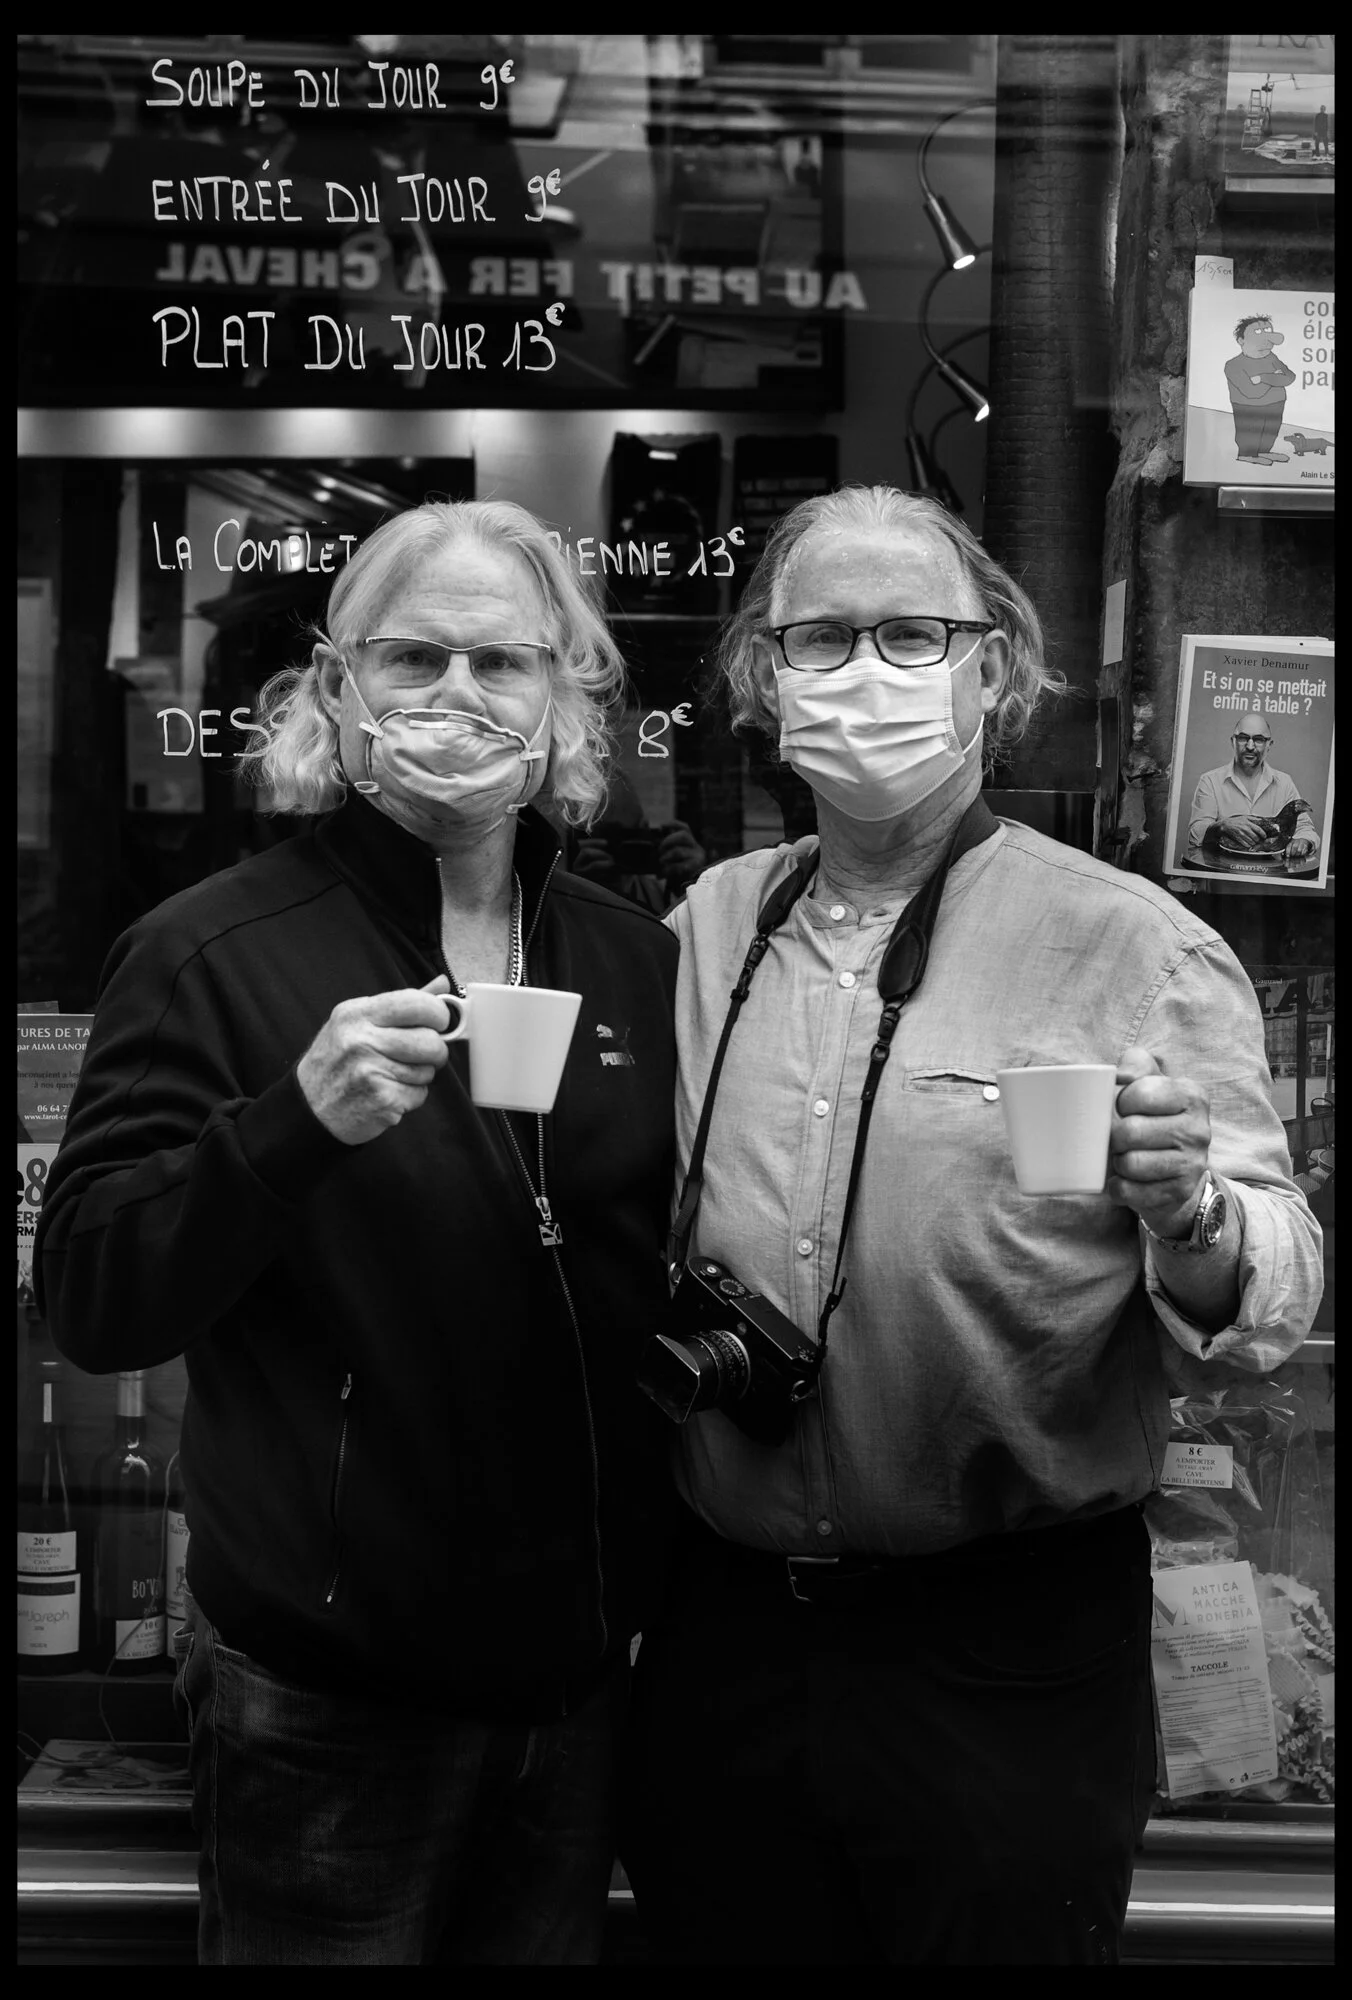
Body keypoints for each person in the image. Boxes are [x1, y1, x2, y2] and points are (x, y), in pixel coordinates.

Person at [619, 485, 1323, 1967]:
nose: (865, 667)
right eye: (823, 635)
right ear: (763, 677)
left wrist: (1186, 1205)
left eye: (913, 633)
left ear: (992, 671)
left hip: (1004, 1654)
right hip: (726, 1637)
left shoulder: (1136, 943)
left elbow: (1276, 1297)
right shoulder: (702, 932)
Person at [34, 499, 681, 1966]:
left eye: (503, 663)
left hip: (576, 1689)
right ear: (336, 689)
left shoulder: (641, 964)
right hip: (324, 1698)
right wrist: (288, 1126)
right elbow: (93, 1301)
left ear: (567, 697)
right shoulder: (208, 951)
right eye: (413, 659)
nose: (459, 697)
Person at [1187, 713, 1321, 868]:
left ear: (1269, 744)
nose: (1250, 746)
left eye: (1258, 739)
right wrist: (1220, 826)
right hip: (1221, 874)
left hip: (1271, 876)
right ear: (1233, 741)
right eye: (1243, 738)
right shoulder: (1210, 780)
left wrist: (1304, 841)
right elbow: (1194, 835)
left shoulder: (1284, 782)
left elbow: (1305, 828)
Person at [1224, 315, 1296, 467]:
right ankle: (1246, 454)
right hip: (1248, 406)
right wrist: (1275, 378)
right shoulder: (1233, 365)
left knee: (1271, 429)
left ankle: (1264, 451)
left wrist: (1263, 378)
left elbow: (1289, 377)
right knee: (1250, 430)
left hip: (1276, 402)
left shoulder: (1272, 357)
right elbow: (1252, 392)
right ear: (1241, 341)